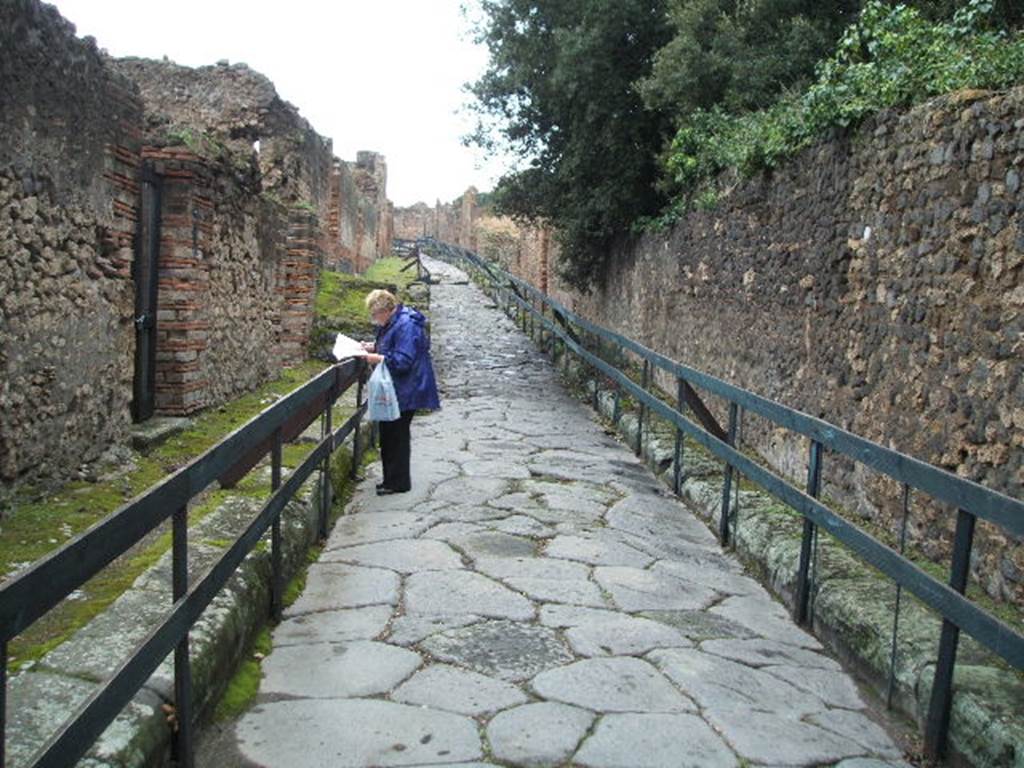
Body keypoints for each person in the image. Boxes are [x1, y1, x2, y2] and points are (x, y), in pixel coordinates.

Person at [359, 289, 440, 495]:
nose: (374, 319)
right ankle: (391, 479)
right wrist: (372, 347)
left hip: (408, 387)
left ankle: (398, 482)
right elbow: (390, 347)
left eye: (375, 314)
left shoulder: (406, 324)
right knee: (389, 433)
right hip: (399, 387)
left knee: (397, 435)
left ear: (385, 310)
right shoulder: (395, 322)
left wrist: (375, 358)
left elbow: (402, 360)